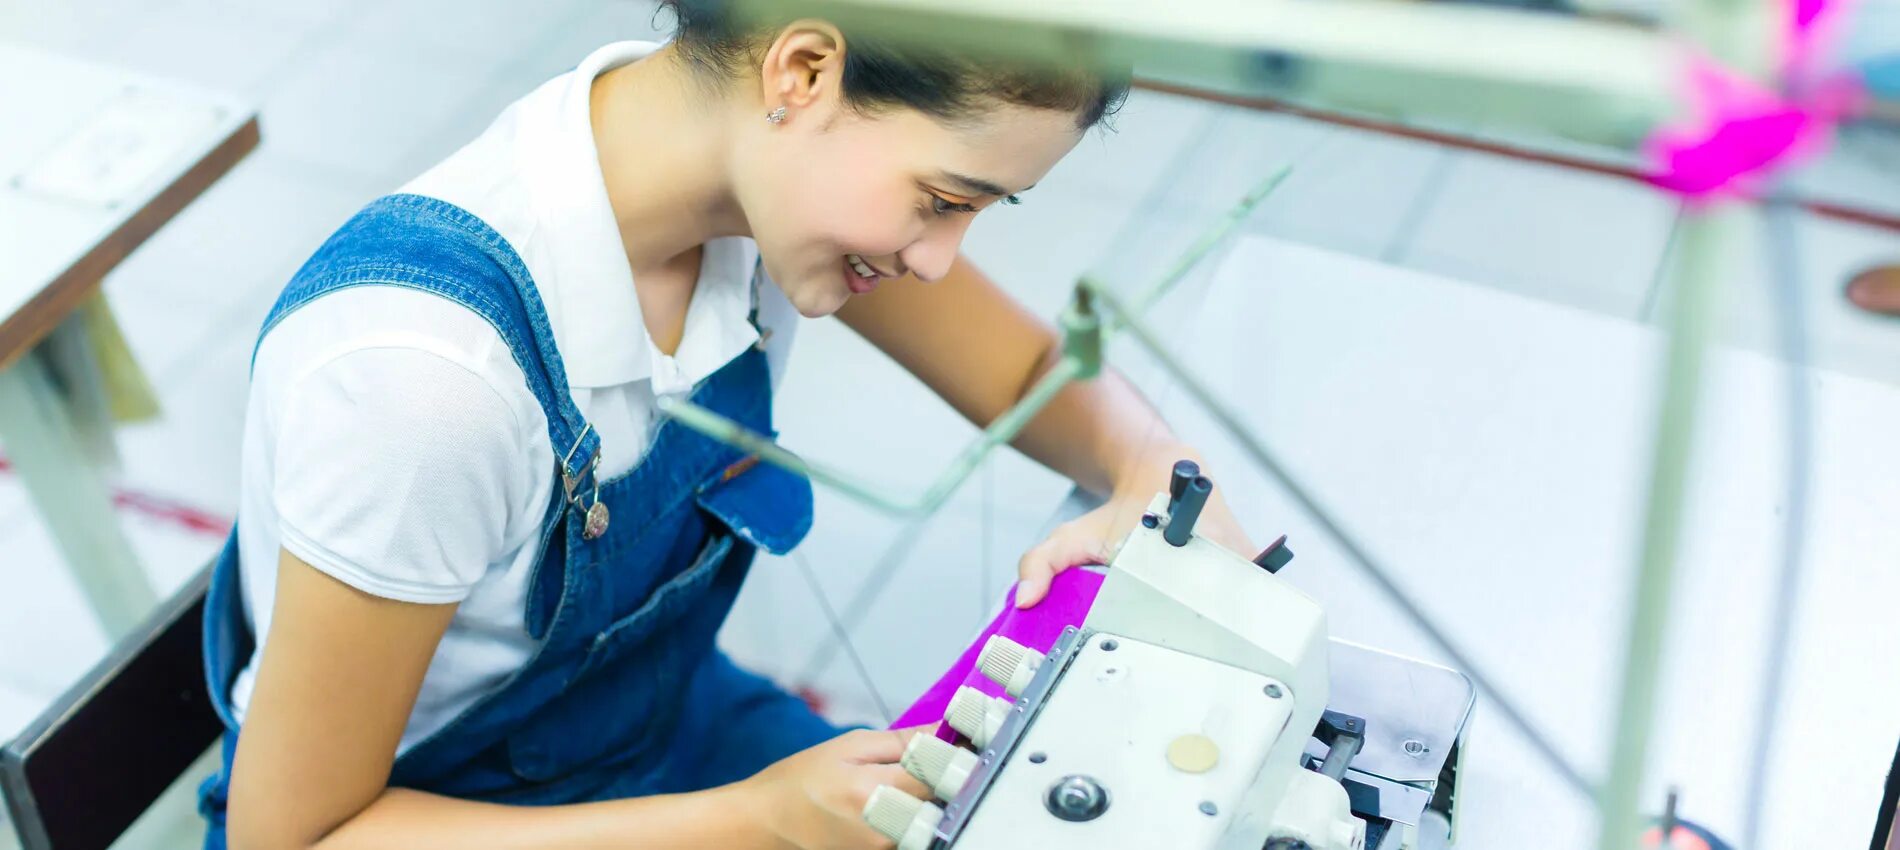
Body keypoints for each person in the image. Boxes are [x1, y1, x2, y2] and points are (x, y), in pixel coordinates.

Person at [199, 2, 1252, 847]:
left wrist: (1153, 470)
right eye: (941, 198)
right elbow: (295, 833)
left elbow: (1029, 369)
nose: (938, 258)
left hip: (663, 727)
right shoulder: (428, 383)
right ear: (800, 72)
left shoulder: (746, 178)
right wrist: (751, 822)